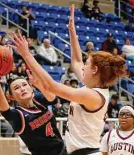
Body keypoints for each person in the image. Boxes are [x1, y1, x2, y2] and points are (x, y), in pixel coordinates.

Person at [8, 4, 128, 155]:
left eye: (87, 64)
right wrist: (72, 30)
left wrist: (26, 54)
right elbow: (76, 61)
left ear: (95, 70)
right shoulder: (91, 86)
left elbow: (52, 86)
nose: (82, 67)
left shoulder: (93, 96)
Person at [0, 68, 67, 155]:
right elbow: (5, 111)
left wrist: (39, 85)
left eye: (24, 85)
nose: (22, 89)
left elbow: (53, 100)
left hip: (63, 150)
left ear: (31, 88)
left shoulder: (38, 100)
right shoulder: (18, 115)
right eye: (17, 88)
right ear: (12, 97)